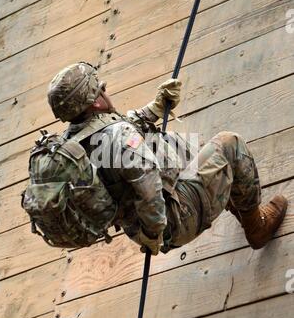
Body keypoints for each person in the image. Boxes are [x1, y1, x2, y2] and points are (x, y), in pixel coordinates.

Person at [47, 62, 288, 255]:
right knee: (229, 144)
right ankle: (256, 226)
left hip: (139, 226)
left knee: (170, 142)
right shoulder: (120, 138)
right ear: (96, 100)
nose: (105, 91)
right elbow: (149, 191)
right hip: (176, 218)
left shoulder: (74, 142)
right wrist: (155, 236)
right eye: (101, 89)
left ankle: (228, 199)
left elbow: (119, 129)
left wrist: (157, 105)